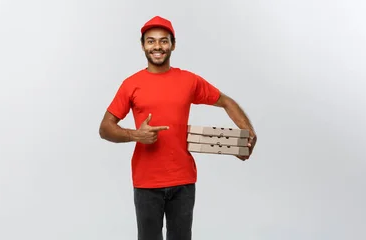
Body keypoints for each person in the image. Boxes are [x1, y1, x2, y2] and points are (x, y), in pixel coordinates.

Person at [98, 16, 257, 240]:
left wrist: (248, 134)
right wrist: (136, 135)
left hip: (183, 180)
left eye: (164, 41)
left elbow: (225, 101)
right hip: (146, 181)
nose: (157, 47)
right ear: (143, 45)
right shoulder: (131, 84)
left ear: (173, 44)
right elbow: (105, 128)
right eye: (151, 41)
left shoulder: (188, 80)